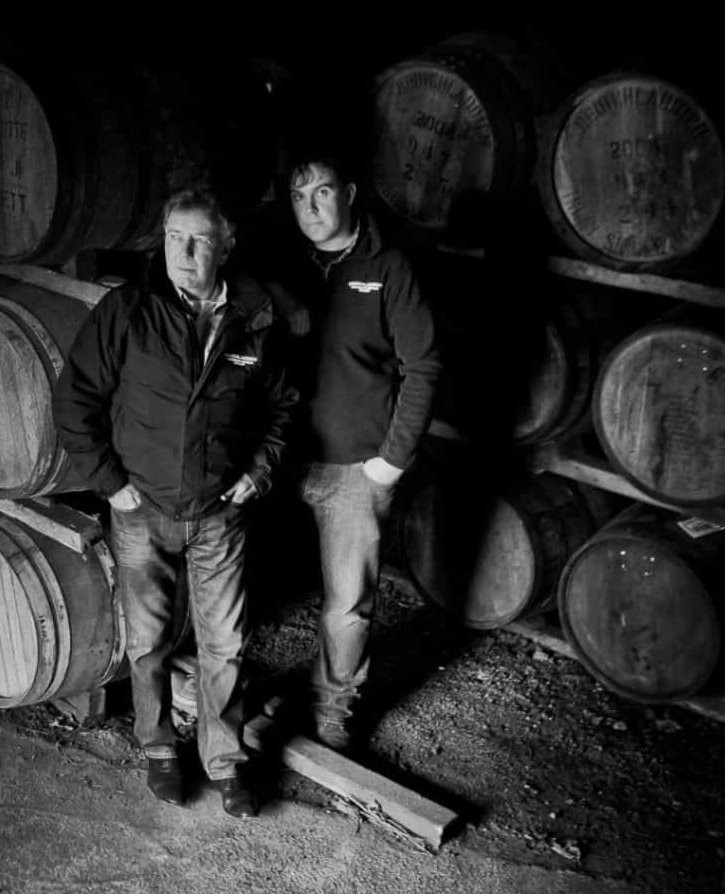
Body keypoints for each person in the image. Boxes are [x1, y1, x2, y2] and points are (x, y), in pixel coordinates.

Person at [53, 187, 298, 819]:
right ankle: (159, 747)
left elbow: (281, 409)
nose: (184, 254)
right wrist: (110, 482)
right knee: (148, 641)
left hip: (220, 513)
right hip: (142, 510)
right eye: (173, 238)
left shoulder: (254, 317)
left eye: (200, 240)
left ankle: (225, 761)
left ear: (226, 246)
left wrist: (258, 474)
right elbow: (75, 399)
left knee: (225, 644)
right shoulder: (128, 310)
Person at [250, 145, 441, 752]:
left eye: (323, 192)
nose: (310, 208)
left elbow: (424, 366)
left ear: (351, 194)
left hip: (356, 465)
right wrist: (280, 296)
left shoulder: (389, 266)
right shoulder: (289, 260)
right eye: (298, 196)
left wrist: (391, 461)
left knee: (347, 603)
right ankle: (252, 691)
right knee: (264, 578)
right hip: (285, 457)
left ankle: (333, 707)